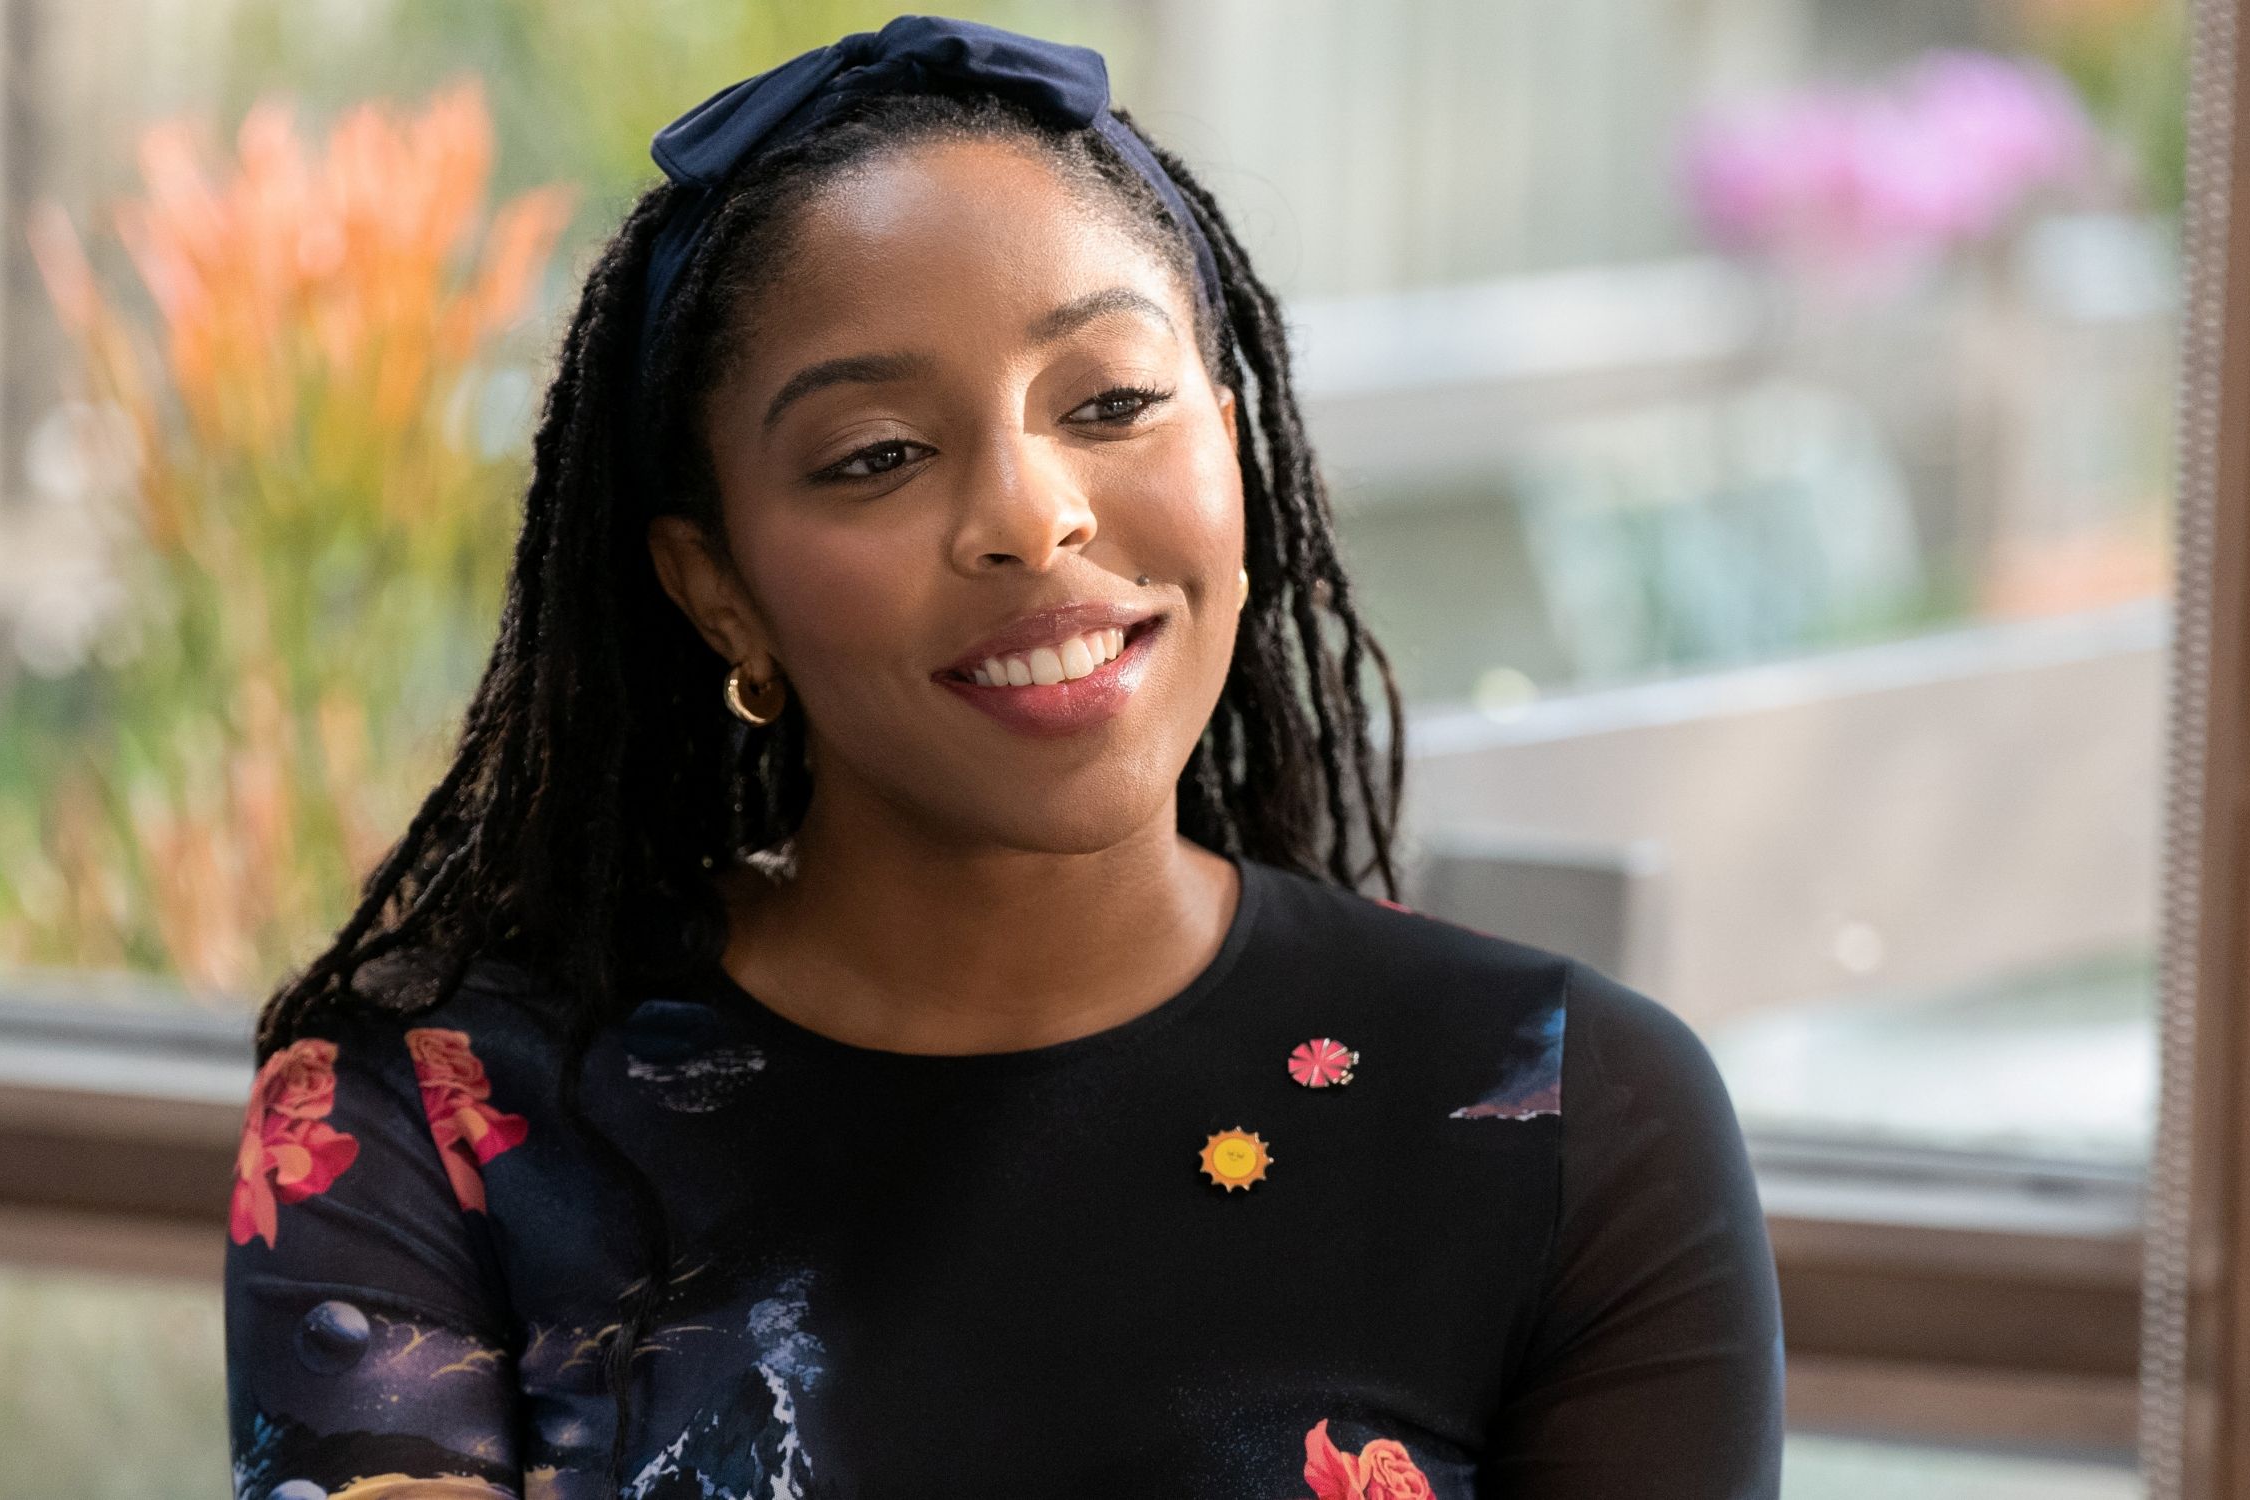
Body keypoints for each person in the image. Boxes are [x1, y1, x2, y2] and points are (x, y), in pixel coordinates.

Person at [223, 17, 1782, 1498]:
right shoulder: (432, 1121)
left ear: (1231, 457)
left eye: (1109, 400)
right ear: (719, 589)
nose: (1033, 517)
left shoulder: (1573, 1118)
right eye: (879, 456)